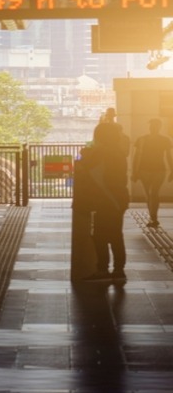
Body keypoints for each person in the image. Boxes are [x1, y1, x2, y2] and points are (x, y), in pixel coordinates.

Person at [78, 121, 130, 282]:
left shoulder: (103, 152)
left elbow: (87, 166)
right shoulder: (117, 152)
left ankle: (103, 269)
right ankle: (118, 270)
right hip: (118, 197)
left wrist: (85, 154)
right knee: (115, 235)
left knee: (100, 235)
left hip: (108, 198)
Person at [132, 118, 173, 228]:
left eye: (154, 126)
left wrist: (135, 171)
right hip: (155, 169)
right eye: (152, 126)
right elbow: (137, 156)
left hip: (149, 169)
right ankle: (153, 217)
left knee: (151, 193)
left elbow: (137, 156)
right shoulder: (164, 140)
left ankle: (153, 217)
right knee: (151, 194)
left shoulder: (143, 139)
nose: (153, 128)